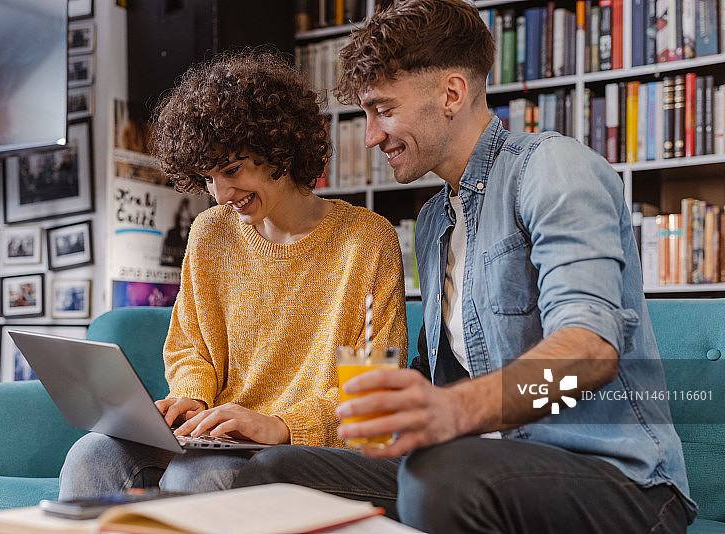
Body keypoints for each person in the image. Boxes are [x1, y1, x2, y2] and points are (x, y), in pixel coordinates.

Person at [232, 2, 696, 533]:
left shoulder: (551, 168)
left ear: (451, 94)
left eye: (382, 109)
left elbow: (589, 351)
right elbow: (442, 377)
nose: (370, 136)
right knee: (272, 473)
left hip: (618, 481)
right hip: (477, 468)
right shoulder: (433, 222)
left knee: (442, 476)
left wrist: (453, 411)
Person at [58, 50, 408, 499]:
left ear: (279, 147)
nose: (221, 194)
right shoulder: (209, 232)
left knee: (196, 477)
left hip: (294, 446)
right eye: (207, 178)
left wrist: (279, 424)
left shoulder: (366, 239)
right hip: (212, 434)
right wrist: (192, 398)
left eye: (232, 169)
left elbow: (371, 395)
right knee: (91, 455)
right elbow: (189, 348)